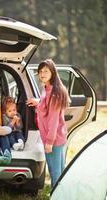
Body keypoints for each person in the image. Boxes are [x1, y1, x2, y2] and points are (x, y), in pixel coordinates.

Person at [26, 59, 70, 188]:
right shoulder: (48, 89)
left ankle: (56, 195)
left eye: (46, 71)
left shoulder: (55, 93)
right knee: (60, 170)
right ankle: (62, 195)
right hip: (58, 137)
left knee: (55, 172)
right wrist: (38, 102)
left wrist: (49, 142)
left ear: (53, 72)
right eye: (40, 71)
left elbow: (53, 120)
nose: (42, 74)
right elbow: (47, 106)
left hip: (53, 139)